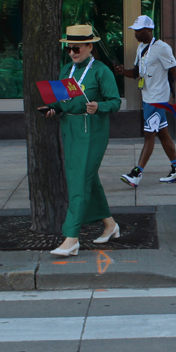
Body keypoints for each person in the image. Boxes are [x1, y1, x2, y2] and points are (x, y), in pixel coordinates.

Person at [39, 24, 122, 256]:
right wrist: (52, 108)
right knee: (86, 177)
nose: (72, 53)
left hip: (92, 129)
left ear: (89, 46)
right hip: (70, 128)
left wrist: (99, 106)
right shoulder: (66, 70)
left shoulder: (101, 71)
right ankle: (110, 224)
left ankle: (72, 237)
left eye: (76, 48)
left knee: (79, 182)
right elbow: (60, 101)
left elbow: (115, 102)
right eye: (68, 49)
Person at [115, 15, 176, 187]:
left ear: (149, 30)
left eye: (139, 31)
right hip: (147, 98)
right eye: (135, 31)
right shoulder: (141, 48)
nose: (136, 34)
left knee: (149, 136)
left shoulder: (162, 48)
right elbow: (135, 73)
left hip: (157, 100)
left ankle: (137, 173)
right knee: (162, 134)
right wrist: (121, 71)